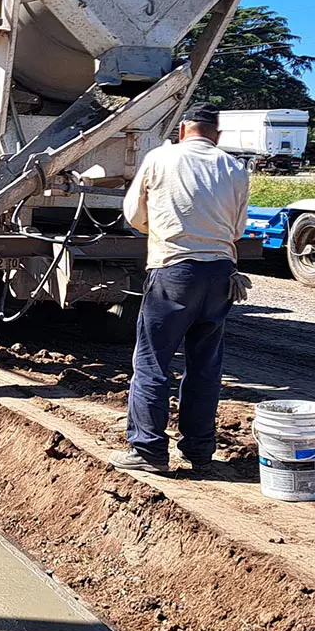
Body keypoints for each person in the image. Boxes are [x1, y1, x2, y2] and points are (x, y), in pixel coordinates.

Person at [110, 102, 250, 473]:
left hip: (173, 271)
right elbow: (237, 229)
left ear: (183, 129)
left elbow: (133, 214)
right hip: (221, 274)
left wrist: (158, 228)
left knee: (152, 362)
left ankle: (148, 451)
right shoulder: (235, 168)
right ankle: (199, 451)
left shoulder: (160, 157)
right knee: (205, 366)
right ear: (217, 135)